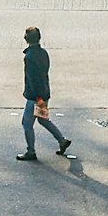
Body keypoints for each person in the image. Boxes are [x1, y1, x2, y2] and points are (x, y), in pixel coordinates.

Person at [16, 25, 71, 162]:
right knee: (42, 120)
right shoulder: (43, 53)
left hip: (35, 96)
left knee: (26, 123)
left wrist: (32, 95)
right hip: (43, 94)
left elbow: (31, 79)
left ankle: (31, 151)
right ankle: (62, 140)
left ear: (26, 39)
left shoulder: (29, 57)